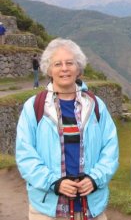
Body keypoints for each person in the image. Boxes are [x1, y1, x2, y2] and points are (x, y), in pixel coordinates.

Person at [16, 38, 119, 220]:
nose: (64, 68)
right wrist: (54, 182)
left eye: (70, 63)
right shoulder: (34, 107)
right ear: (48, 69)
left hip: (91, 207)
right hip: (48, 210)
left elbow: (110, 149)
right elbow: (25, 154)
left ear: (78, 68)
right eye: (57, 64)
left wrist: (95, 179)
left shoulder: (95, 105)